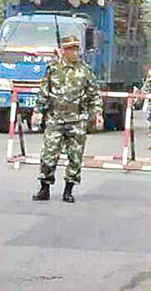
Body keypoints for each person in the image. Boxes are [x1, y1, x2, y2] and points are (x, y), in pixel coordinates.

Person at [32, 35, 102, 203]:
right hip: (55, 118)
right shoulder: (53, 69)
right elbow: (44, 92)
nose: (74, 52)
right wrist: (38, 111)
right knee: (48, 155)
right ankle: (44, 187)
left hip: (77, 119)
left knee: (75, 156)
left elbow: (94, 94)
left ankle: (68, 189)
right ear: (63, 51)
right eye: (70, 48)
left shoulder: (85, 70)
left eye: (76, 48)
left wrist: (97, 114)